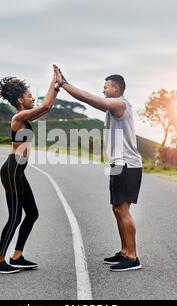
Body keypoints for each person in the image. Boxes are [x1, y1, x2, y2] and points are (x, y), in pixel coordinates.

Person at [54, 65, 143, 272]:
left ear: (117, 89)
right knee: (117, 209)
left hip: (127, 165)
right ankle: (124, 251)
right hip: (118, 164)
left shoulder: (120, 104)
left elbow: (87, 97)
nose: (103, 90)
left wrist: (64, 84)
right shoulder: (115, 107)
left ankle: (132, 257)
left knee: (123, 210)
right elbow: (90, 99)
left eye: (106, 87)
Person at [0, 67, 59, 274]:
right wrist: (55, 84)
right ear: (20, 100)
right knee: (15, 217)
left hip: (18, 172)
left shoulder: (25, 117)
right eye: (29, 95)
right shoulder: (18, 118)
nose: (32, 98)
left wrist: (57, 86)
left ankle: (17, 256)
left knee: (32, 213)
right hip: (12, 170)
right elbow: (46, 106)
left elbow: (45, 107)